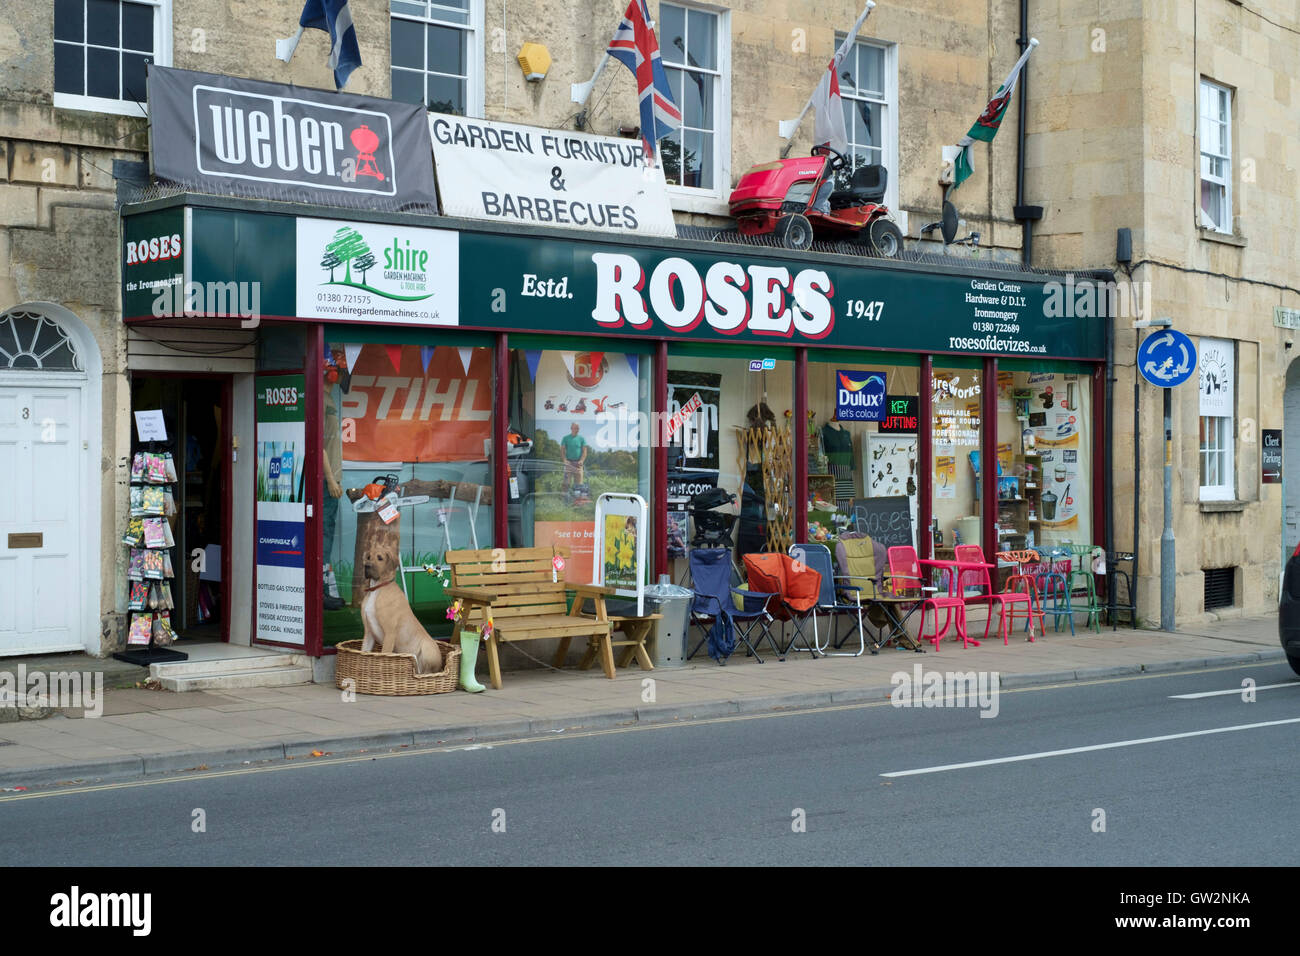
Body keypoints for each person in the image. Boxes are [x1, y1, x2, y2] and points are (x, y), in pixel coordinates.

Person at [560, 422, 588, 495]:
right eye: (575, 428)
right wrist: (565, 460)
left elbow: (585, 452)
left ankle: (577, 500)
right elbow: (562, 450)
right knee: (566, 483)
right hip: (568, 463)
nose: (577, 429)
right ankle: (564, 499)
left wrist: (581, 460)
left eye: (578, 428)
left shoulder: (582, 439)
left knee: (579, 484)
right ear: (571, 428)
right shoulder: (565, 438)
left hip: (578, 464)